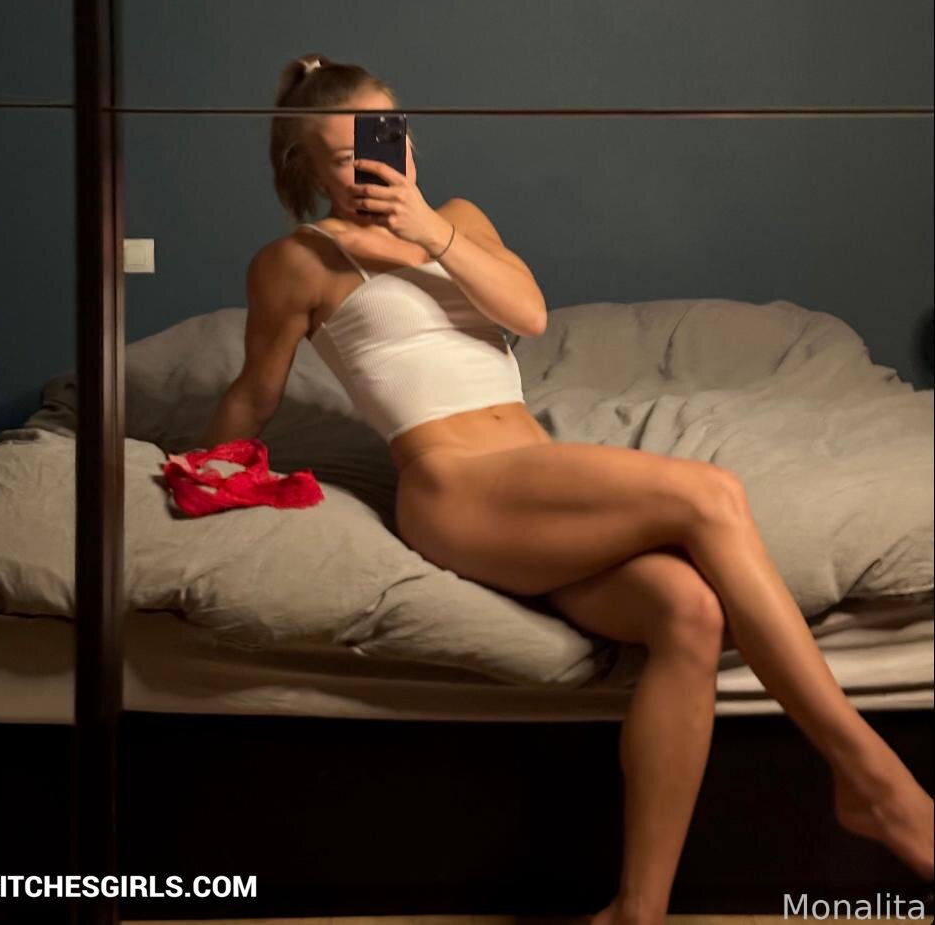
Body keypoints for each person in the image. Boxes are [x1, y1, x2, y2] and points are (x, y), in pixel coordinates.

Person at [201, 52, 934, 924]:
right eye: (343, 155)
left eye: (384, 137)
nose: (372, 165)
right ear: (307, 170)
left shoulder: (457, 220)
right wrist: (208, 464)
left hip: (532, 483)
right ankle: (870, 775)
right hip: (455, 490)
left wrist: (427, 231)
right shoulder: (296, 261)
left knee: (688, 612)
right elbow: (255, 391)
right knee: (707, 494)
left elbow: (528, 313)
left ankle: (636, 908)